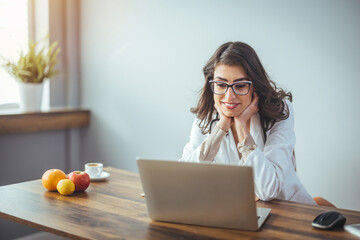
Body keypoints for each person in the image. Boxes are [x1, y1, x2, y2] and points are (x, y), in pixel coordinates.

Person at [179, 41, 315, 205]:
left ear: (255, 87)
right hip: (239, 212)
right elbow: (184, 177)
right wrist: (221, 127)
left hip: (289, 211)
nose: (229, 96)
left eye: (240, 85)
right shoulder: (206, 116)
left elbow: (268, 189)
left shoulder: (280, 112)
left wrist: (242, 127)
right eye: (221, 85)